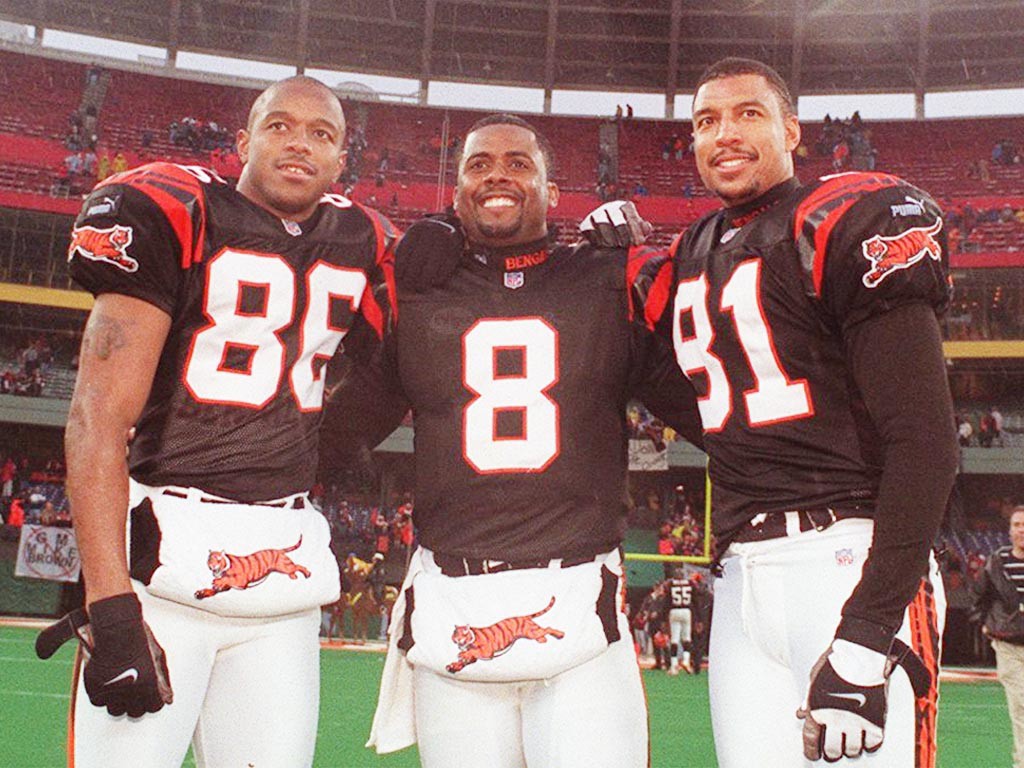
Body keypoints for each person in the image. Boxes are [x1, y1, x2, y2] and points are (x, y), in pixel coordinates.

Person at [35, 76, 397, 768]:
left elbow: (398, 374)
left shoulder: (363, 238)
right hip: (161, 563)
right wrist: (111, 609)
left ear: (343, 159)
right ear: (242, 143)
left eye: (322, 133)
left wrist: (323, 445)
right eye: (279, 126)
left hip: (280, 575)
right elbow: (95, 420)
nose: (300, 143)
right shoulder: (173, 209)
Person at [320, 114, 702, 768]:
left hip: (579, 601)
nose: (497, 174)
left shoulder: (609, 280)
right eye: (477, 165)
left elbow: (710, 407)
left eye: (519, 163)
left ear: (554, 192)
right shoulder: (416, 288)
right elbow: (341, 427)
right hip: (456, 604)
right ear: (458, 189)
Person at [637, 58, 957, 766]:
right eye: (705, 121)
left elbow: (928, 442)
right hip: (743, 577)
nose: (724, 133)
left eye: (747, 114)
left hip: (846, 561)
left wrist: (868, 631)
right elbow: (720, 421)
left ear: (791, 130)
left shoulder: (838, 220)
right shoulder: (694, 250)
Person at [970, 505, 1024, 768]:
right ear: (1010, 530)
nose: (1021, 530)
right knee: (1021, 706)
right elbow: (979, 595)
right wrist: (984, 624)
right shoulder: (997, 562)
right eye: (1016, 524)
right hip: (1009, 645)